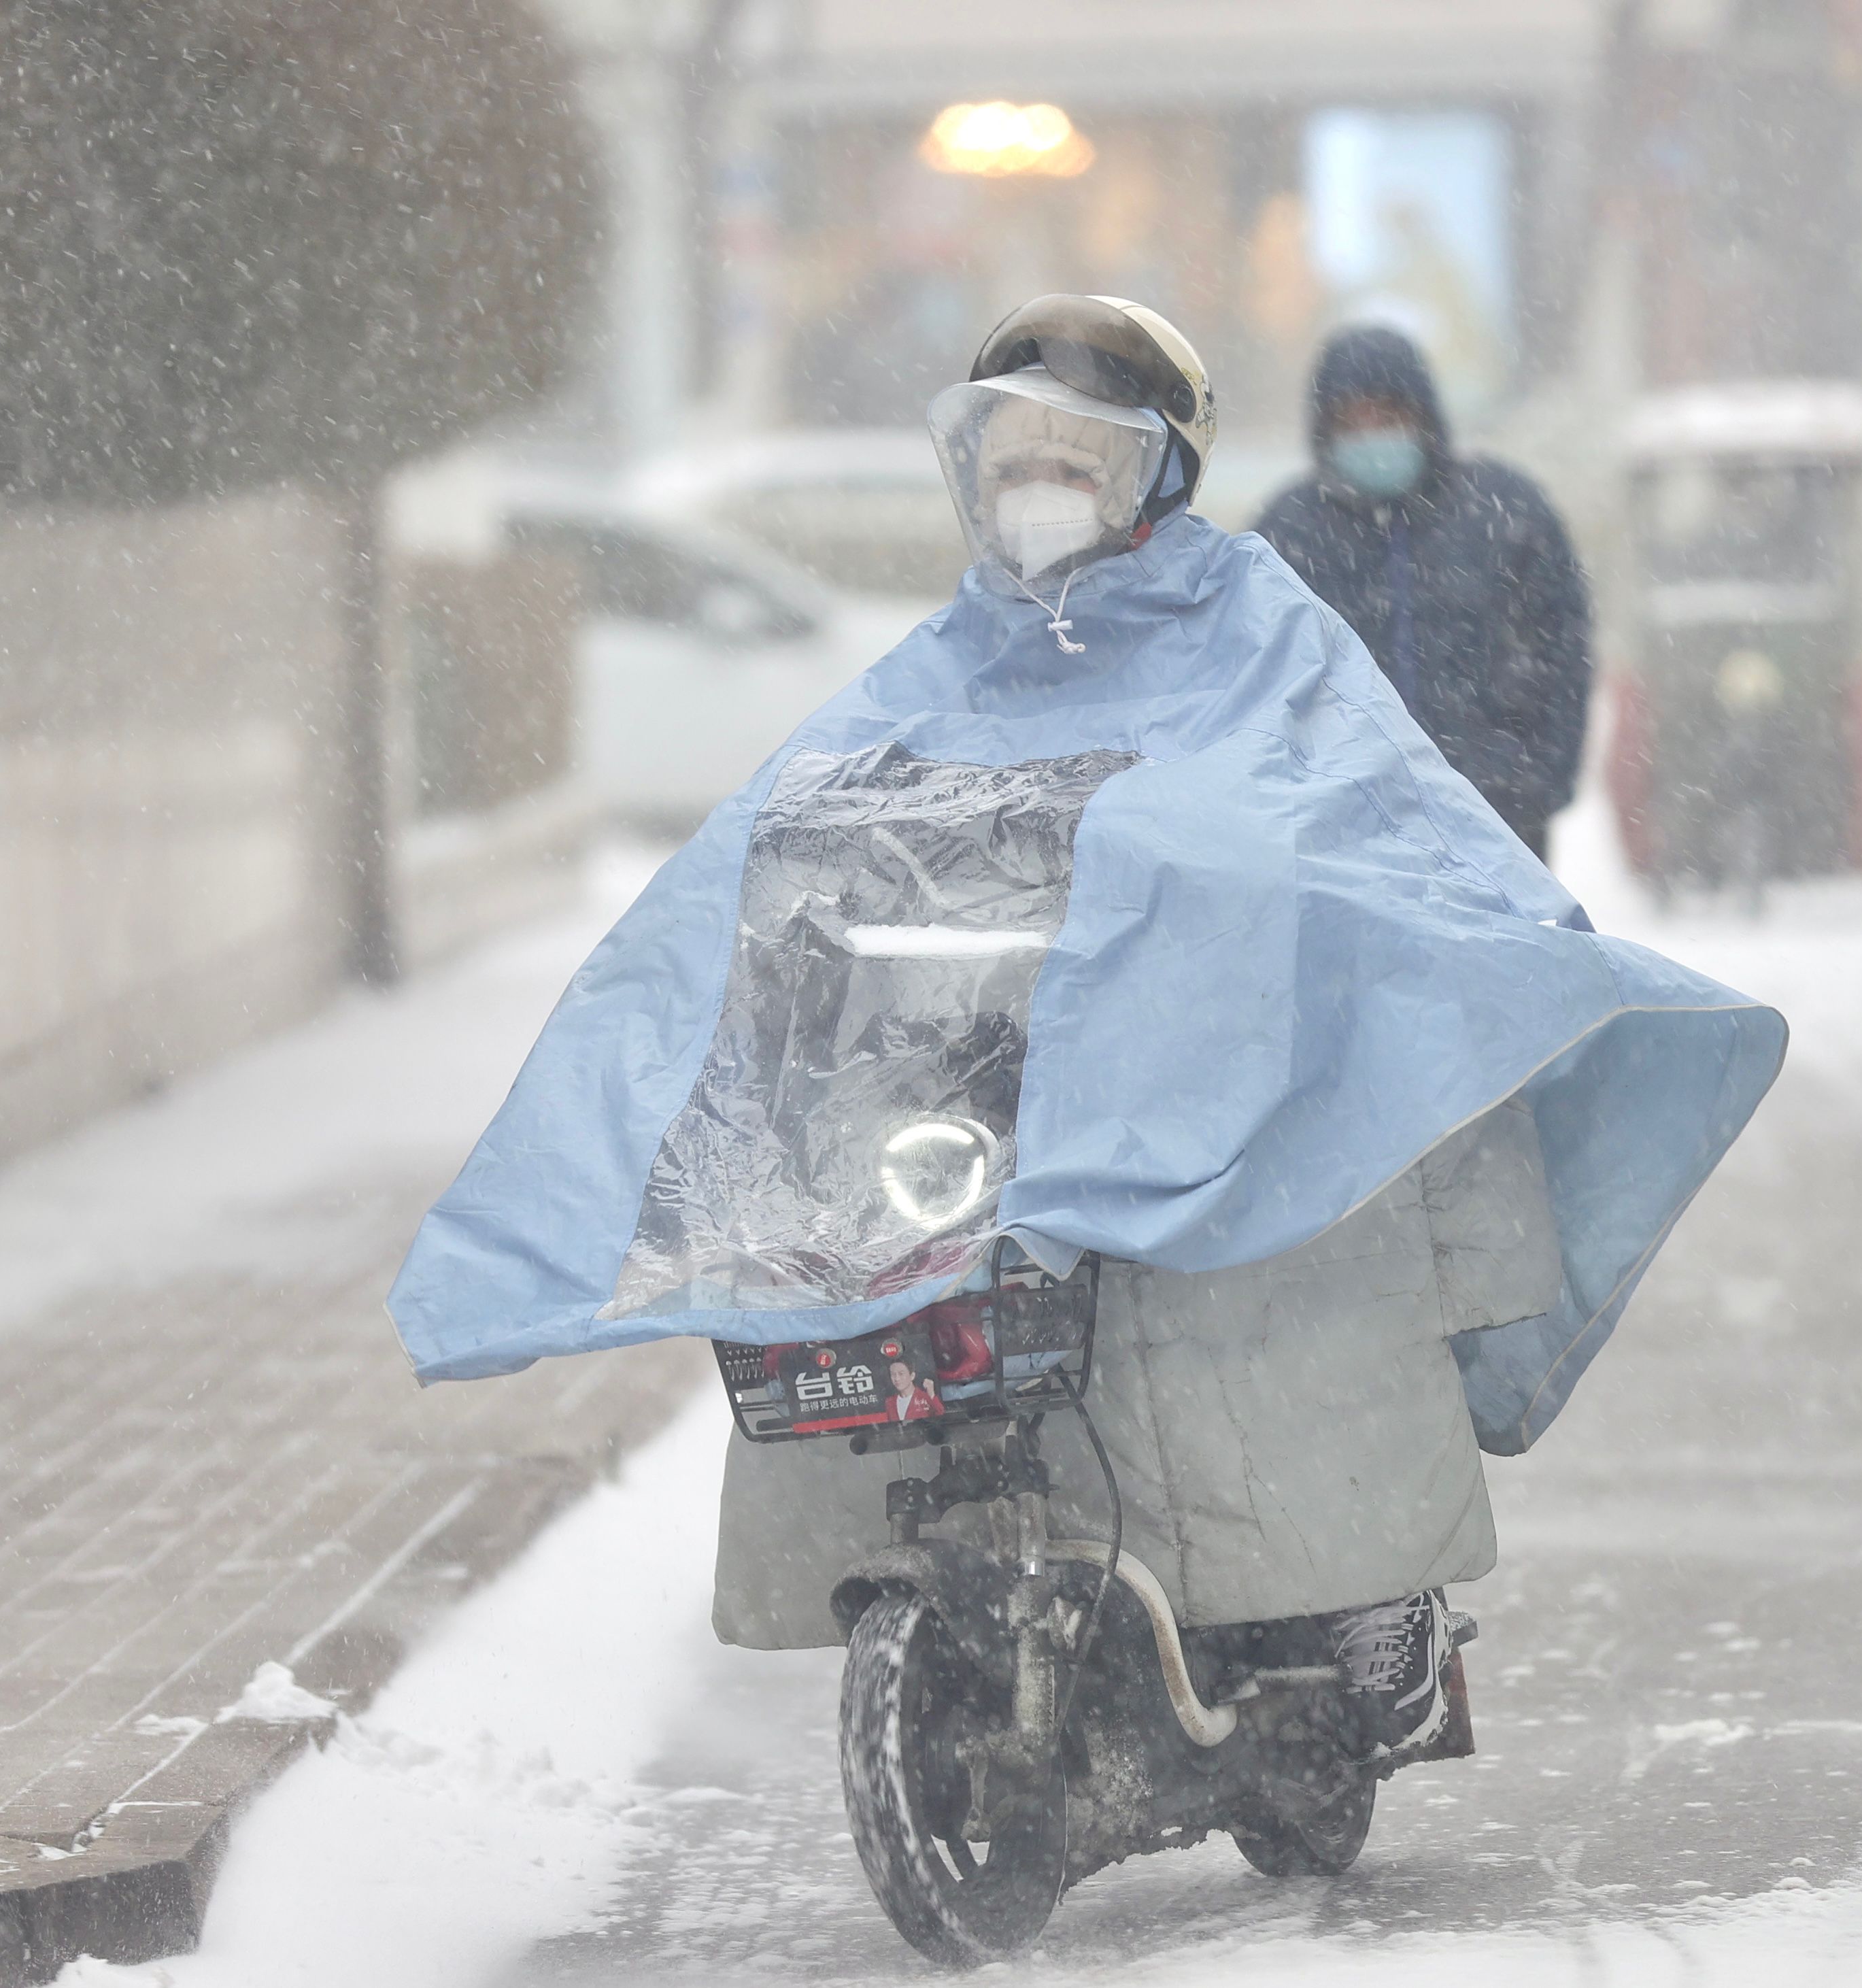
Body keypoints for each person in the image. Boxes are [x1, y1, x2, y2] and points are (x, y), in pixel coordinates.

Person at [389, 295, 1783, 1773]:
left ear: (1155, 475)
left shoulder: (1250, 620)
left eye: (1078, 453)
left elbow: (1353, 808)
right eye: (1009, 452)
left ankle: (1369, 1590)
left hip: (1221, 1060)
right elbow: (820, 799)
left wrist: (1199, 877)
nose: (1037, 482)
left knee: (1322, 1235)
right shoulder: (960, 650)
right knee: (873, 1259)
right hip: (985, 1078)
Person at [1255, 326, 1593, 860]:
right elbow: (1256, 682)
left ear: (1424, 417)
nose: (1371, 435)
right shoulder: (1287, 534)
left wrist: (1534, 783)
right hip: (1345, 839)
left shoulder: (1505, 514)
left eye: (1387, 416)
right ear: (1324, 429)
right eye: (1351, 420)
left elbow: (1563, 648)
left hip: (1497, 829)